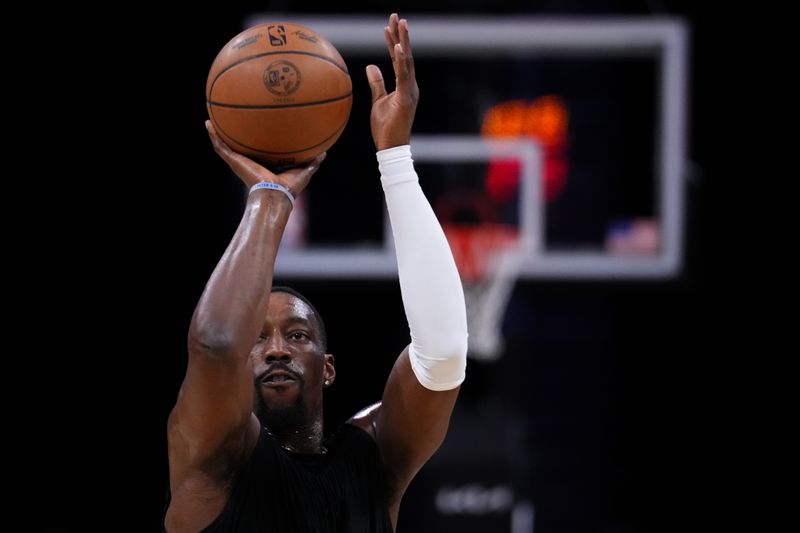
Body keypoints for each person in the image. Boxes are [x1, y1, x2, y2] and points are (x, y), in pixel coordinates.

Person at [164, 13, 468, 533]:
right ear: (240, 368)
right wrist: (269, 198)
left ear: (327, 368)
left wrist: (395, 158)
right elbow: (216, 344)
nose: (277, 348)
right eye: (258, 339)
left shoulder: (373, 462)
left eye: (297, 334)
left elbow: (442, 355)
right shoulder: (212, 465)